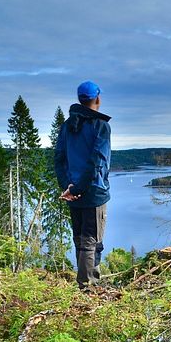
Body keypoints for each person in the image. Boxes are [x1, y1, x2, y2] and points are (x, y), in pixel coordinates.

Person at [54, 81, 112, 289]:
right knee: (91, 242)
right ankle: (88, 287)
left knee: (80, 239)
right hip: (94, 193)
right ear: (97, 98)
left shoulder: (66, 126)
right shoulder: (101, 126)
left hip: (73, 193)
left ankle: (85, 285)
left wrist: (68, 188)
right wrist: (78, 189)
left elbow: (59, 159)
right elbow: (96, 161)